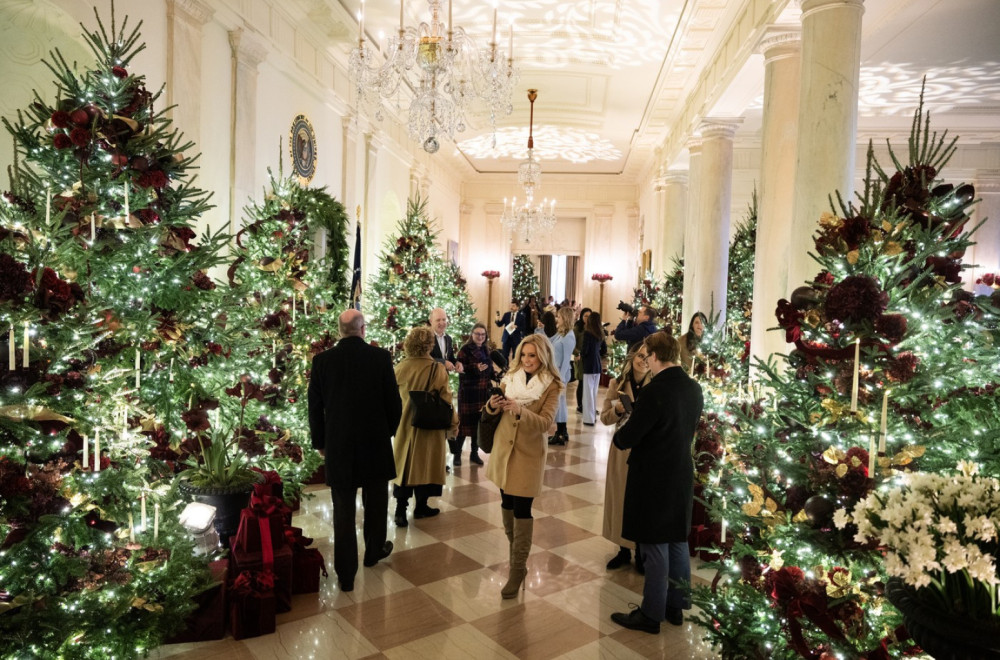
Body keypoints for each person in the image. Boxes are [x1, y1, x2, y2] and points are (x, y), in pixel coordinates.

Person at [609, 333, 703, 634]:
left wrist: (621, 433)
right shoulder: (693, 387)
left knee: (654, 544)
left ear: (653, 356)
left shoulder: (654, 391)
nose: (645, 359)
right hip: (681, 471)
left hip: (654, 475)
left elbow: (629, 437)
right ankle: (675, 605)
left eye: (646, 354)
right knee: (677, 539)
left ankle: (651, 614)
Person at [308, 309, 402, 592]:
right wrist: (386, 432)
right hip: (375, 443)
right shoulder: (380, 357)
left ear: (340, 331)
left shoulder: (322, 361)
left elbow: (315, 409)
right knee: (376, 504)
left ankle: (346, 574)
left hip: (339, 445)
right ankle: (373, 553)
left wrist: (321, 443)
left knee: (343, 511)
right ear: (363, 329)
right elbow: (394, 404)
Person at [482, 335, 563, 598]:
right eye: (524, 355)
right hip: (504, 450)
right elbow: (495, 412)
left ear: (543, 357)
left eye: (533, 356)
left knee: (522, 510)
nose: (527, 360)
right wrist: (492, 406)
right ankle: (516, 560)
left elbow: (546, 423)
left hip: (529, 455)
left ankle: (517, 570)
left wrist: (520, 410)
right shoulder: (510, 377)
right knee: (506, 504)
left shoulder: (551, 385)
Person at [391, 326, 458, 527]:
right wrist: (454, 423)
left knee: (404, 467)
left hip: (405, 425)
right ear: (430, 345)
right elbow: (446, 399)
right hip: (431, 426)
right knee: (427, 466)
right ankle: (421, 506)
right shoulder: (437, 369)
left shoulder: (400, 368)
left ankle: (400, 510)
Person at [599, 346, 651, 571]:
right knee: (620, 497)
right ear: (632, 357)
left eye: (648, 357)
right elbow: (604, 418)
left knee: (641, 499)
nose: (644, 361)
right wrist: (618, 410)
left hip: (645, 449)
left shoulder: (656, 385)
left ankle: (640, 551)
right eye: (640, 356)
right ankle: (622, 549)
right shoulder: (617, 383)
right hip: (621, 450)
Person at [454, 323, 492, 466]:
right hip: (468, 393)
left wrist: (494, 374)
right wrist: (475, 367)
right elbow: (460, 369)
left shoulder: (486, 349)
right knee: (463, 426)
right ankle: (457, 454)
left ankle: (474, 454)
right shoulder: (465, 350)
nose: (480, 337)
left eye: (483, 334)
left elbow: (488, 369)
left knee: (478, 425)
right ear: (472, 334)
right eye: (477, 334)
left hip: (482, 393)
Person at [548, 306, 576, 445]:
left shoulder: (569, 336)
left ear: (565, 318)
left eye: (558, 316)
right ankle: (562, 432)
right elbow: (549, 341)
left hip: (561, 373)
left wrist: (561, 378)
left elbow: (566, 360)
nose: (556, 319)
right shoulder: (561, 334)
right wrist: (539, 330)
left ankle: (560, 433)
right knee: (559, 403)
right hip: (556, 372)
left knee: (559, 403)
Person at [579, 310, 607, 426]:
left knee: (587, 394)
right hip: (597, 365)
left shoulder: (588, 333)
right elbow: (604, 350)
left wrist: (581, 355)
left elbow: (584, 350)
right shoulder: (601, 333)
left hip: (589, 365)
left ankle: (588, 419)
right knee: (593, 393)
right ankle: (592, 417)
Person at [573, 307, 592, 413]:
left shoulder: (593, 328)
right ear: (581, 317)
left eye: (589, 316)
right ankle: (580, 405)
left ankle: (588, 405)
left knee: (588, 383)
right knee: (581, 382)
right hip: (580, 358)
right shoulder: (577, 328)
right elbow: (572, 343)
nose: (587, 318)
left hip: (589, 358)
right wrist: (577, 353)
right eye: (585, 316)